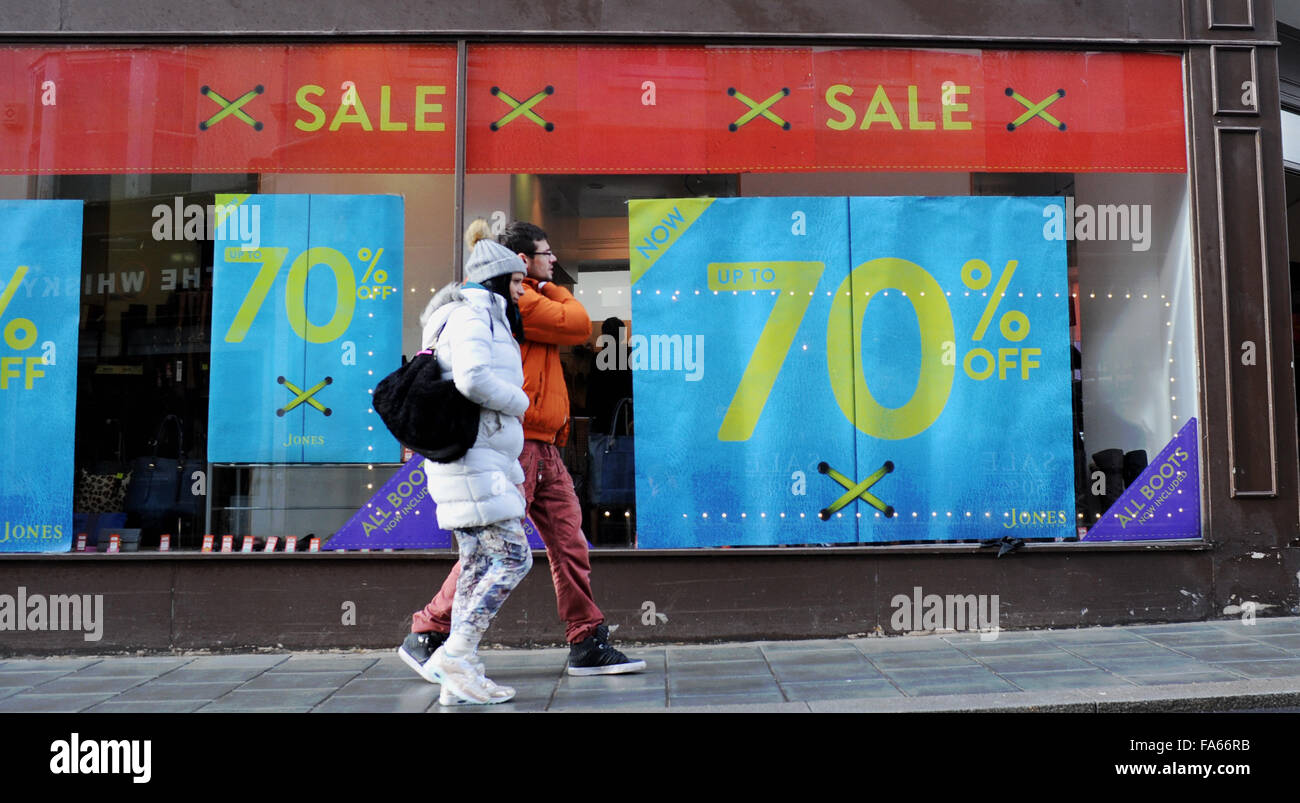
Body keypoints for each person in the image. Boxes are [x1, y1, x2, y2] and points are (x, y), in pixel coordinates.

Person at [400, 221, 645, 678]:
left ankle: (586, 639)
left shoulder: (523, 297)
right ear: (521, 262)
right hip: (516, 442)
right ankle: (430, 631)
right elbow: (575, 324)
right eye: (545, 253)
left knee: (567, 541)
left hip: (543, 443)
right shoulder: (519, 299)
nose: (554, 260)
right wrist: (548, 288)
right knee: (497, 550)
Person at [408, 220, 533, 705]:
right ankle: (457, 653)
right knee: (514, 558)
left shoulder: (472, 315)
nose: (522, 293)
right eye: (518, 283)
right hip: (472, 457)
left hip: (476, 456)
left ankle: (461, 673)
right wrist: (521, 403)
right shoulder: (472, 316)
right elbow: (474, 378)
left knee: (478, 562)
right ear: (499, 281)